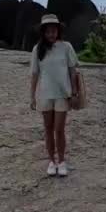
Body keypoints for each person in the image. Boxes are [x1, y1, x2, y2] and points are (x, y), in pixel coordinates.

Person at [29, 14, 80, 177]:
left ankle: (62, 161)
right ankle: (52, 161)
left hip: (62, 94)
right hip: (45, 94)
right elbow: (34, 74)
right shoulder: (37, 49)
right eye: (48, 32)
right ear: (43, 33)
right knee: (48, 129)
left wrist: (74, 92)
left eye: (54, 31)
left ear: (58, 31)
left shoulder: (66, 47)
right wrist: (32, 96)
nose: (51, 34)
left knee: (59, 129)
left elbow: (73, 72)